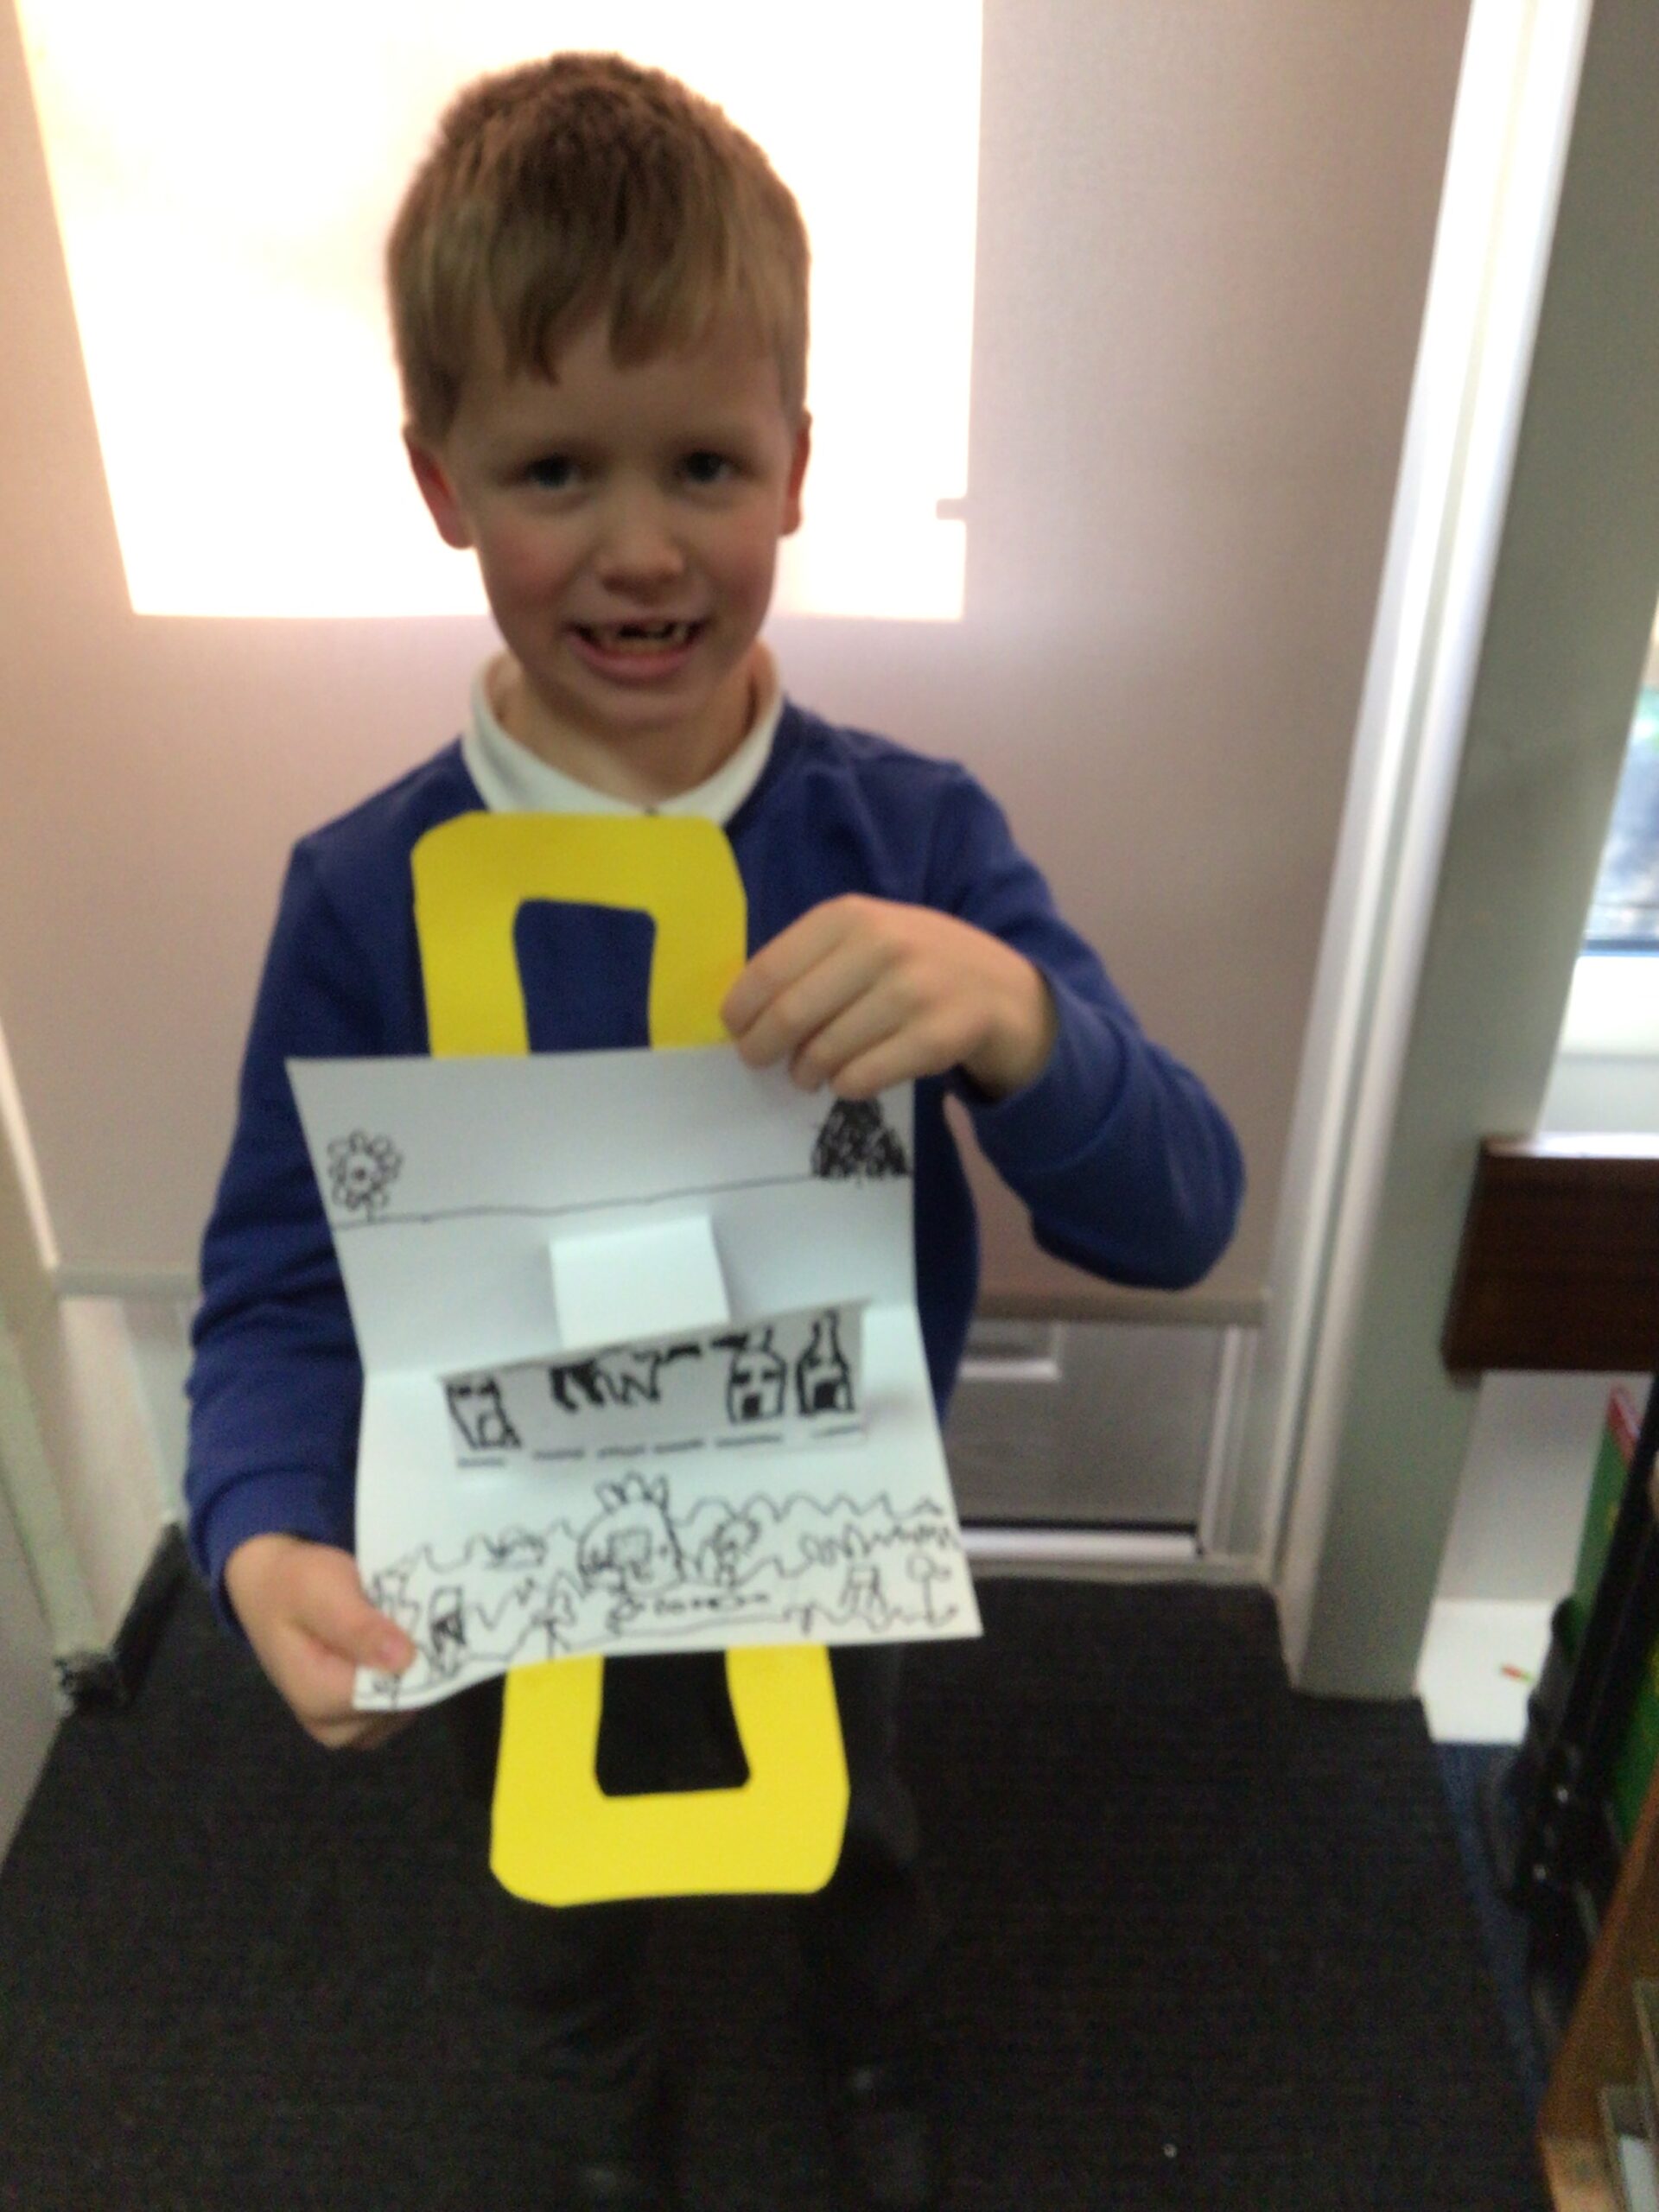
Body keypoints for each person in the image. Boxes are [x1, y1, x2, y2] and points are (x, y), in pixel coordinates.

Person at [183, 50, 1244, 2212]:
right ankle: (601, 2108)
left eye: (704, 462)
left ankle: (870, 2039)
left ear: (797, 471)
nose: (645, 545)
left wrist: (1021, 1021)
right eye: (555, 468)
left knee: (846, 1816)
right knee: (546, 1867)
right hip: (507, 1523)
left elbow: (1181, 1207)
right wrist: (266, 1526)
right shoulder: (365, 897)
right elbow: (279, 1281)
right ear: (441, 482)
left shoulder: (910, 840)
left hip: (815, 1505)